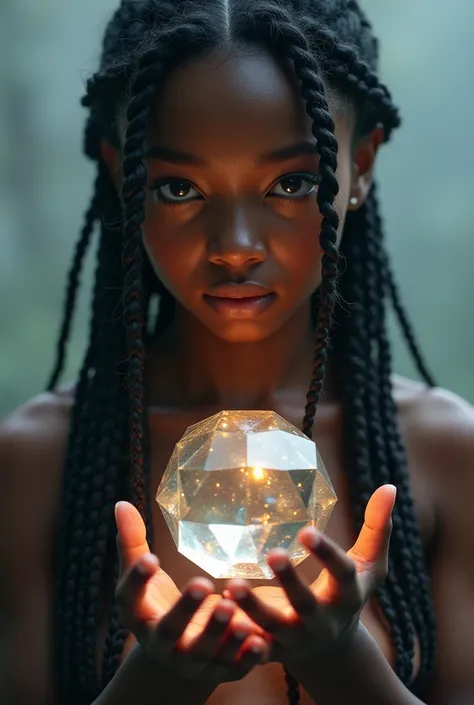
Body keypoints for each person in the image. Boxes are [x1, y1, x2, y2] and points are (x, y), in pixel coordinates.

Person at [1, 0, 473, 703]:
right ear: (120, 177)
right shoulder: (38, 463)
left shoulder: (441, 451)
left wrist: (345, 661)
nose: (235, 245)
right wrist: (156, 680)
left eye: (292, 183)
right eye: (178, 187)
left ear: (361, 165)